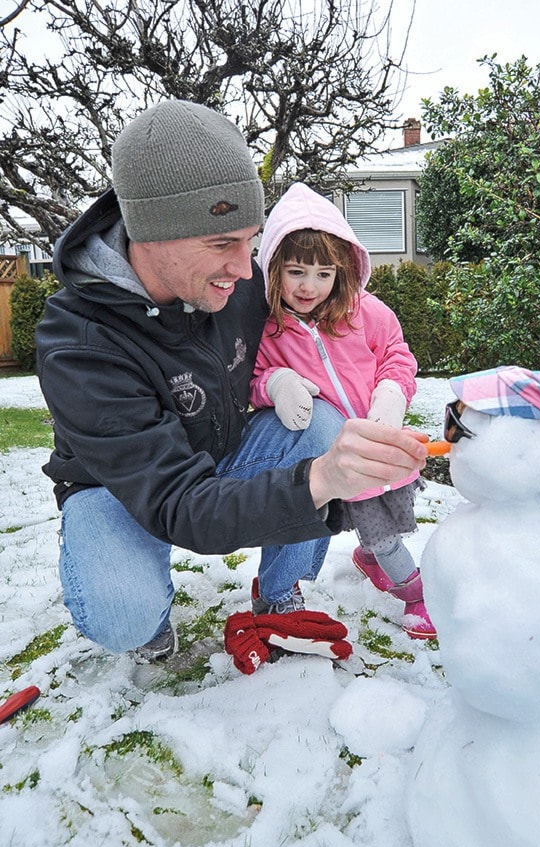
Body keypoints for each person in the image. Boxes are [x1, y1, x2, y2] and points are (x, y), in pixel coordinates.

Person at [35, 100, 427, 661]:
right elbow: (178, 502)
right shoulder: (79, 342)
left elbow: (344, 321)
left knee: (322, 423)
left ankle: (279, 593)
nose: (247, 271)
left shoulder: (235, 282)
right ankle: (133, 595)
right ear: (150, 235)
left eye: (252, 239)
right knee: (122, 615)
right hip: (125, 487)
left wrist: (384, 388)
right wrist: (321, 480)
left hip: (225, 448)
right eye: (222, 244)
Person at [250, 182, 436, 640]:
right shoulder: (268, 330)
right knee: (380, 532)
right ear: (273, 267)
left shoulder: (365, 312)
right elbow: (249, 381)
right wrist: (275, 384)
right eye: (296, 272)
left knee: (388, 515)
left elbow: (396, 353)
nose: (309, 287)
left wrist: (392, 394)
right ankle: (416, 595)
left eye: (323, 274)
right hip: (333, 458)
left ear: (342, 270)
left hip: (382, 443)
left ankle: (368, 561)